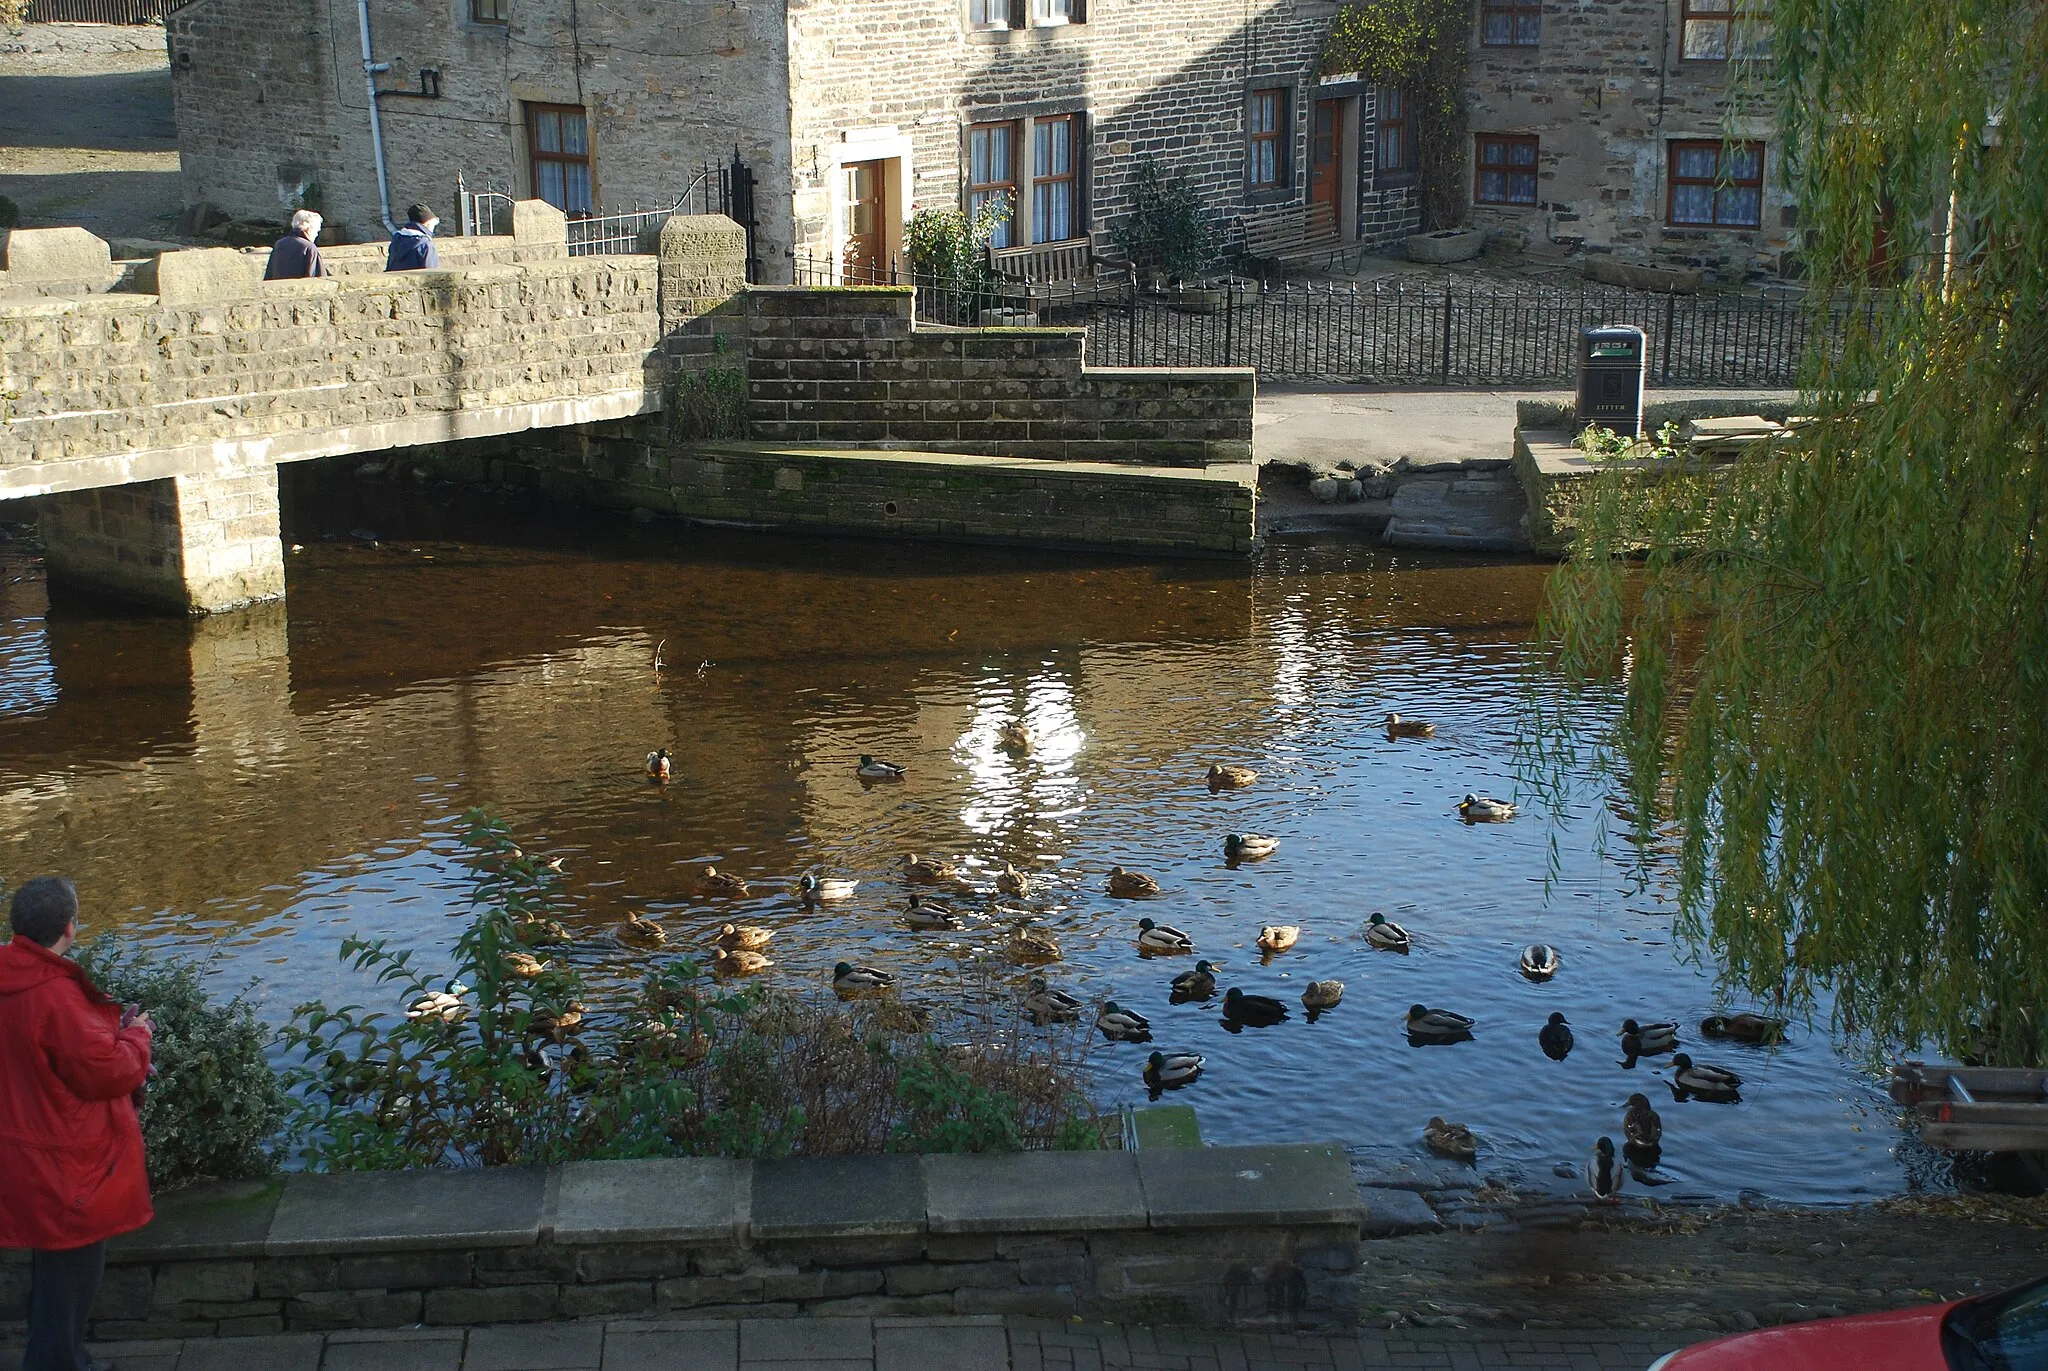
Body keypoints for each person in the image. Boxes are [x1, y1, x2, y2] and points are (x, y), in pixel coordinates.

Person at [0, 877, 154, 1371]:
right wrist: (137, 1036)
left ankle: (60, 1359)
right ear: (69, 927)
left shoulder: (11, 978)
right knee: (72, 1273)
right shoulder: (54, 995)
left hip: (22, 1148)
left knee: (53, 1273)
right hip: (65, 1160)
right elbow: (108, 1072)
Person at [263, 208, 329, 280]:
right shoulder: (309, 247)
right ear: (308, 228)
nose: (317, 234)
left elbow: (269, 274)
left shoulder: (279, 244)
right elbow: (317, 278)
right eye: (317, 230)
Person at [385, 202, 441, 271]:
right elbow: (432, 275)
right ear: (427, 223)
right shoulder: (426, 245)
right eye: (433, 223)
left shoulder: (397, 240)